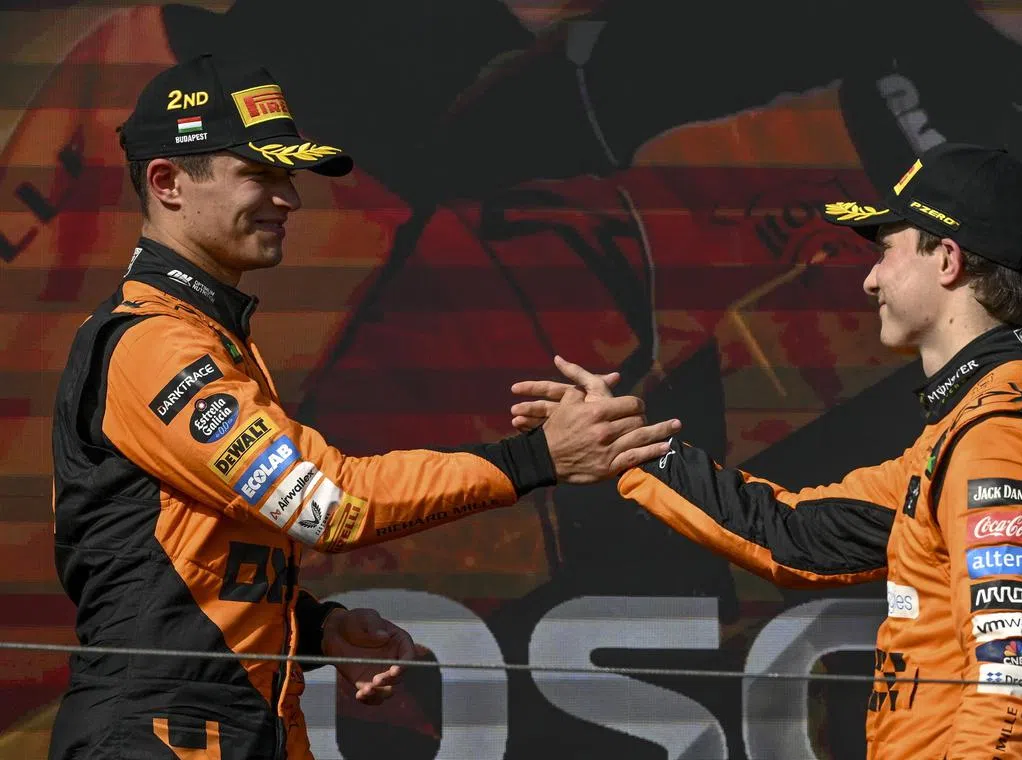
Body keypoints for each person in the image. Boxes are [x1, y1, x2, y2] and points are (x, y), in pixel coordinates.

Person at [48, 53, 679, 760]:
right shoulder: (156, 345)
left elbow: (189, 556)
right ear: (167, 182)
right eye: (259, 174)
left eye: (288, 176)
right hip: (154, 736)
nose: (288, 198)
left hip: (230, 728)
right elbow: (324, 505)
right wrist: (537, 457)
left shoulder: (206, 334)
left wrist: (314, 629)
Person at [510, 142, 1022, 759]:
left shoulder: (1001, 439)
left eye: (886, 250)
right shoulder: (973, 428)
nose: (871, 278)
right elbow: (795, 534)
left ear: (947, 259)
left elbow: (1010, 690)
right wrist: (626, 444)